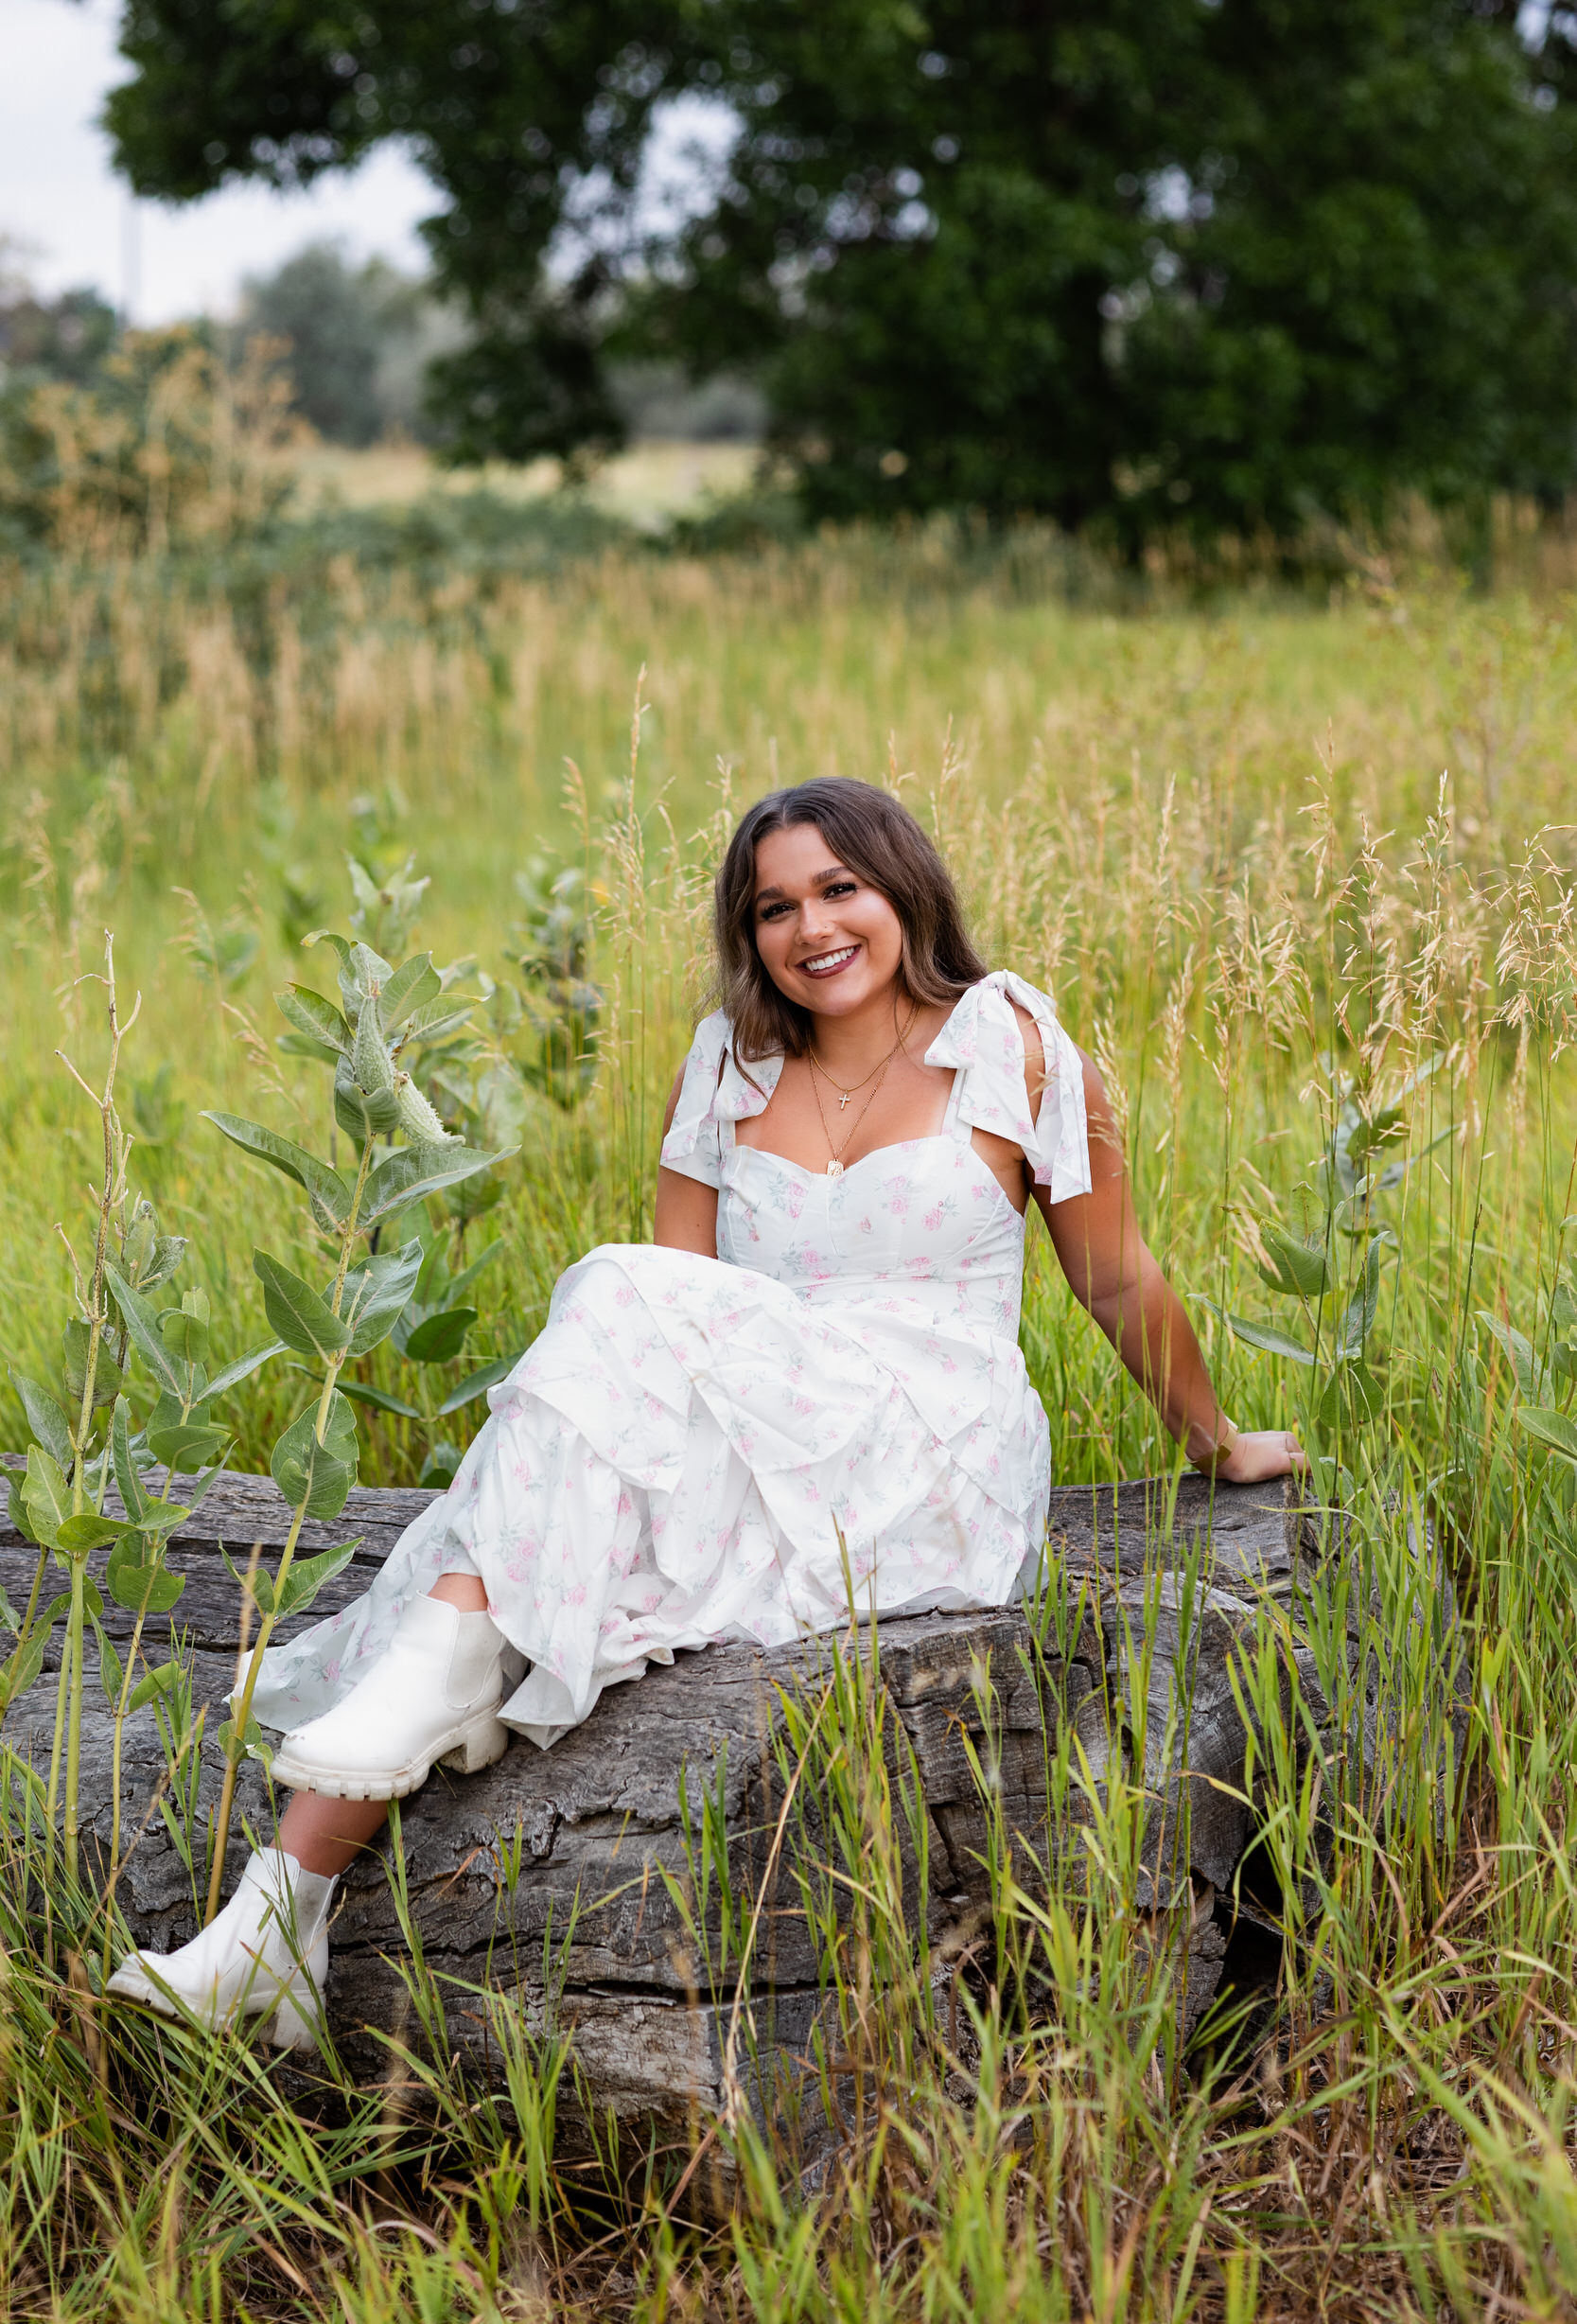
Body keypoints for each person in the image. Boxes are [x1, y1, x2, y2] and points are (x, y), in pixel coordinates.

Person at [110, 777, 1299, 2046]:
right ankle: (271, 1920)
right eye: (774, 905)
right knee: (534, 1527)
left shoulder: (1014, 1041)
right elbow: (662, 1325)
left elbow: (1113, 1274)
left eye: (840, 889)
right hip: (758, 1432)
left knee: (583, 1378)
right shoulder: (729, 1059)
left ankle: (359, 1788)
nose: (811, 927)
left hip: (928, 1448)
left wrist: (1212, 1441)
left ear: (903, 887)